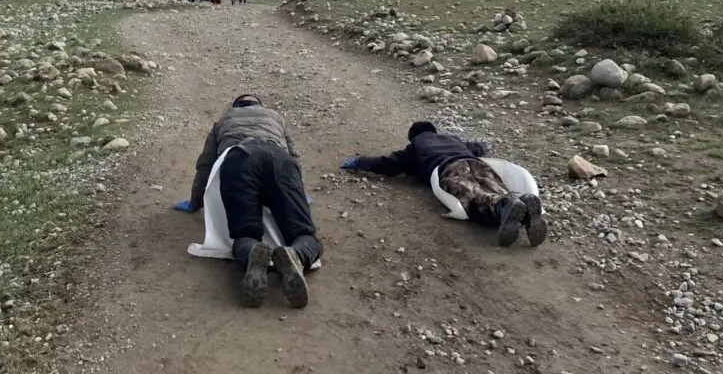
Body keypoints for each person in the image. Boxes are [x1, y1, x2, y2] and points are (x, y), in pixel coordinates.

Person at [174, 94, 322, 308]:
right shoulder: (275, 117)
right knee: (304, 234)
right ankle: (297, 255)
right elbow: (295, 158)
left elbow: (205, 165)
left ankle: (253, 253)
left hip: (239, 160)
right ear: (259, 105)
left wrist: (194, 201)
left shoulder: (223, 120)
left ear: (236, 106)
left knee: (245, 233)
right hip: (280, 160)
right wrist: (297, 195)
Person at [341, 121, 547, 249]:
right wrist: (486, 144)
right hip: (475, 163)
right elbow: (477, 147)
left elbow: (389, 164)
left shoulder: (415, 147)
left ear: (413, 137)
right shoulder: (451, 137)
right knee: (494, 186)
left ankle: (502, 207)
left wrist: (359, 162)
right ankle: (523, 207)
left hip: (448, 168)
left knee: (472, 196)